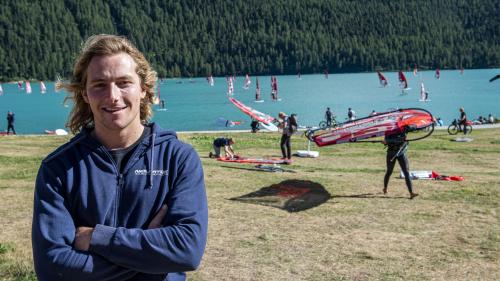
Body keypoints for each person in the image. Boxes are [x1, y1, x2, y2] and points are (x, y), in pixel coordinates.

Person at [32, 35, 208, 281]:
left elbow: (187, 251)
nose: (113, 96)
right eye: (99, 85)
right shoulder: (59, 168)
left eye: (124, 82)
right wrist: (148, 252)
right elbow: (53, 268)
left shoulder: (178, 159)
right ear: (85, 94)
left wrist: (97, 238)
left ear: (144, 89)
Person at [383, 130, 418, 199]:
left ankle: (411, 193)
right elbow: (386, 141)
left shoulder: (404, 128)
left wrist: (431, 122)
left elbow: (415, 128)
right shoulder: (389, 130)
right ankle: (385, 188)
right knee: (389, 171)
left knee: (406, 172)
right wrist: (385, 142)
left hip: (401, 153)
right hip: (391, 153)